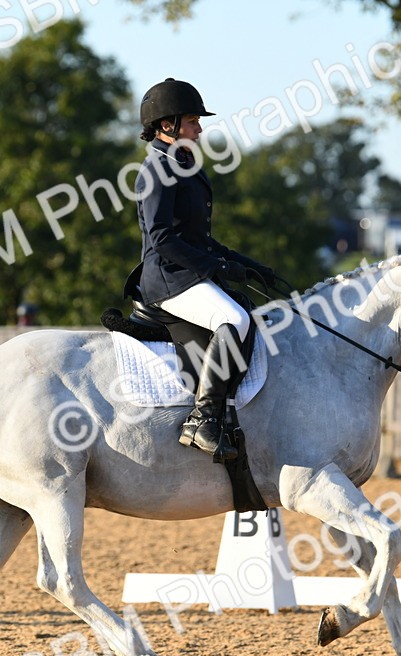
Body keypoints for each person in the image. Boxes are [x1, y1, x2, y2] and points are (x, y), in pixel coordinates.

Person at [134, 78, 278, 462]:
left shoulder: (182, 165)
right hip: (168, 279)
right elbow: (163, 238)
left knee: (245, 309)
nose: (199, 129)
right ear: (167, 125)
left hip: (187, 272)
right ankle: (202, 420)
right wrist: (216, 266)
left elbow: (199, 238)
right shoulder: (158, 169)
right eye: (193, 121)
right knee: (232, 318)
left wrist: (248, 266)